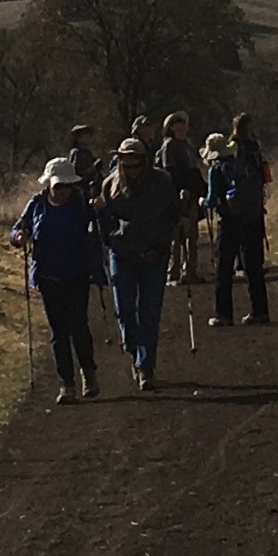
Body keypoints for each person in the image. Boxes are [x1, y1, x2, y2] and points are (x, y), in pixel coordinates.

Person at [10, 153, 105, 403]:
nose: (63, 190)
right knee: (58, 332)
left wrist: (99, 209)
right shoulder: (37, 204)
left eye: (68, 185)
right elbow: (19, 228)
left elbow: (98, 226)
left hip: (77, 274)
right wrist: (19, 237)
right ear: (49, 184)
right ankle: (66, 384)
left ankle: (89, 373)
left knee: (78, 327)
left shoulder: (80, 202)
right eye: (59, 186)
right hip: (48, 276)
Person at [100, 134, 179, 390]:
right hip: (123, 256)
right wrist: (115, 241)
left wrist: (159, 248)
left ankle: (146, 367)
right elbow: (105, 224)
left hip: (154, 257)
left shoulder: (162, 183)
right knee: (124, 309)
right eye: (126, 164)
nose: (131, 170)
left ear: (145, 162)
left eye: (136, 164)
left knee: (150, 312)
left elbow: (172, 218)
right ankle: (132, 347)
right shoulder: (109, 186)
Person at [207, 110, 272, 327]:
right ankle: (260, 310)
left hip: (229, 218)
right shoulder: (254, 147)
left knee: (224, 266)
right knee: (253, 264)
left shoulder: (221, 162)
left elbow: (212, 198)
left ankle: (223, 314)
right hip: (253, 212)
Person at [153, 110, 202, 284]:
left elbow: (194, 170)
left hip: (191, 194)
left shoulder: (188, 145)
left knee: (192, 234)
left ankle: (189, 271)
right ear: (170, 127)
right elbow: (170, 172)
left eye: (183, 123)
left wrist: (201, 189)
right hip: (176, 195)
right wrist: (179, 190)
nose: (181, 126)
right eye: (177, 123)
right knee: (177, 234)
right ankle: (173, 271)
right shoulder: (169, 146)